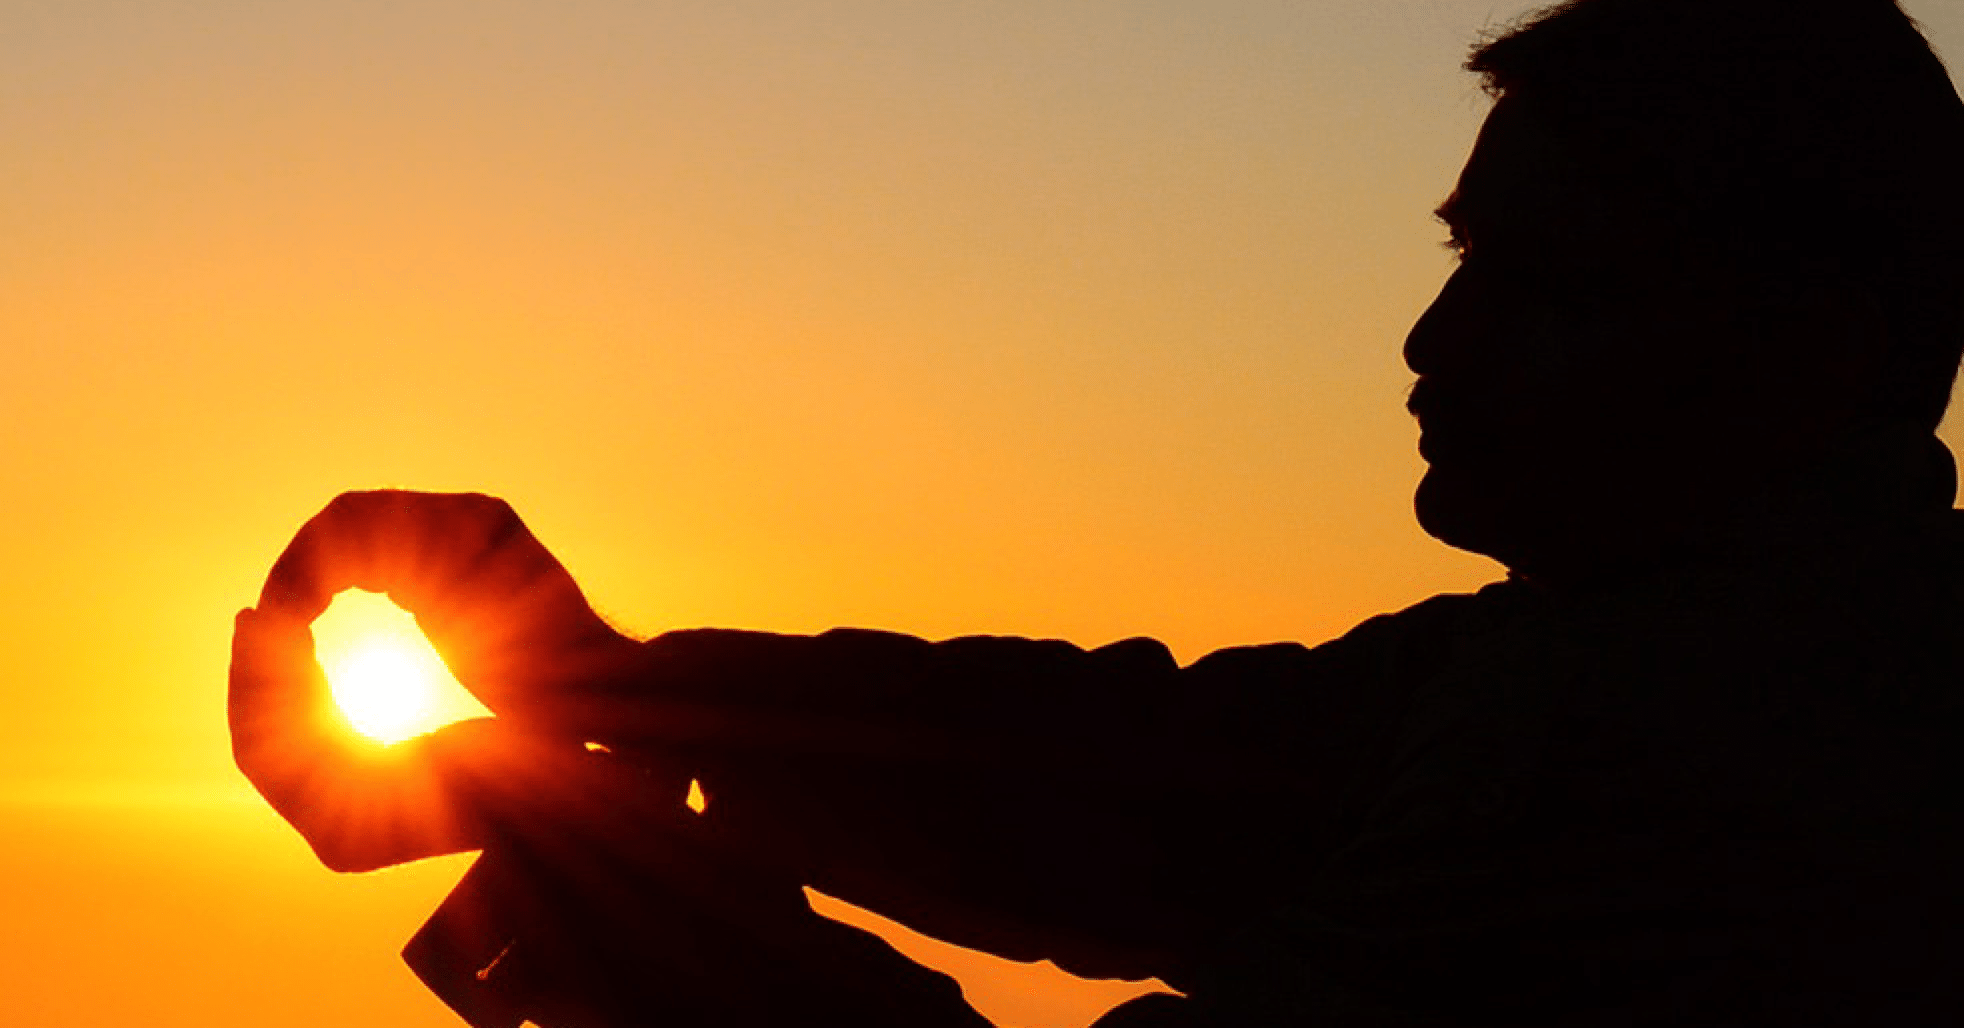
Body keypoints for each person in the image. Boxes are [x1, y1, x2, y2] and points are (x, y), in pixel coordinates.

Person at [230, 0, 1964, 1024]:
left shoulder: (1718, 760)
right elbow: (1142, 769)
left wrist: (638, 907)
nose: (1436, 341)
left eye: (1549, 283)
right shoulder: (1596, 655)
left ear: (1808, 350)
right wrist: (609, 688)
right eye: (1462, 263)